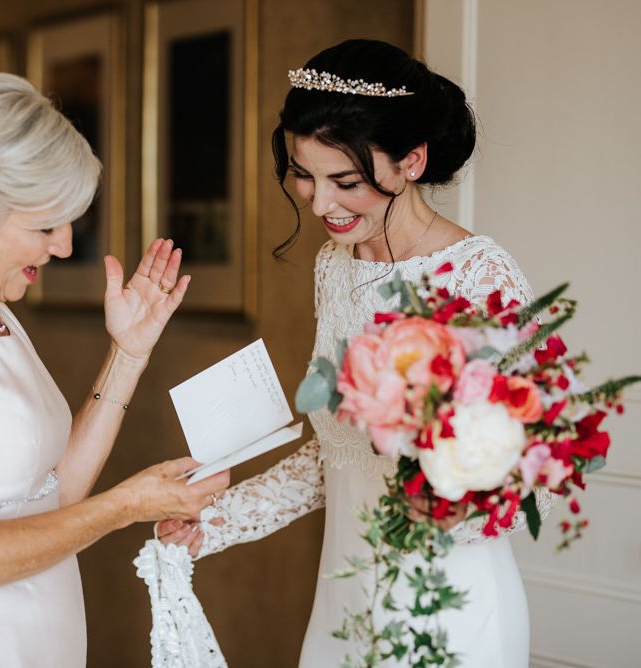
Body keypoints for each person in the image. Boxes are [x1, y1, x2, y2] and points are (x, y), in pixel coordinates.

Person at [155, 40, 555, 667]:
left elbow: (535, 477)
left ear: (411, 162)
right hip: (344, 598)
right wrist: (220, 521)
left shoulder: (479, 276)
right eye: (303, 174)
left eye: (345, 181)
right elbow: (337, 454)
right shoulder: (334, 267)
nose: (318, 203)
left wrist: (436, 487)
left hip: (447, 605)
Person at [0, 73, 229, 668]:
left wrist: (129, 353)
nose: (61, 247)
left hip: (39, 631)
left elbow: (55, 494)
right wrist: (127, 506)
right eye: (43, 227)